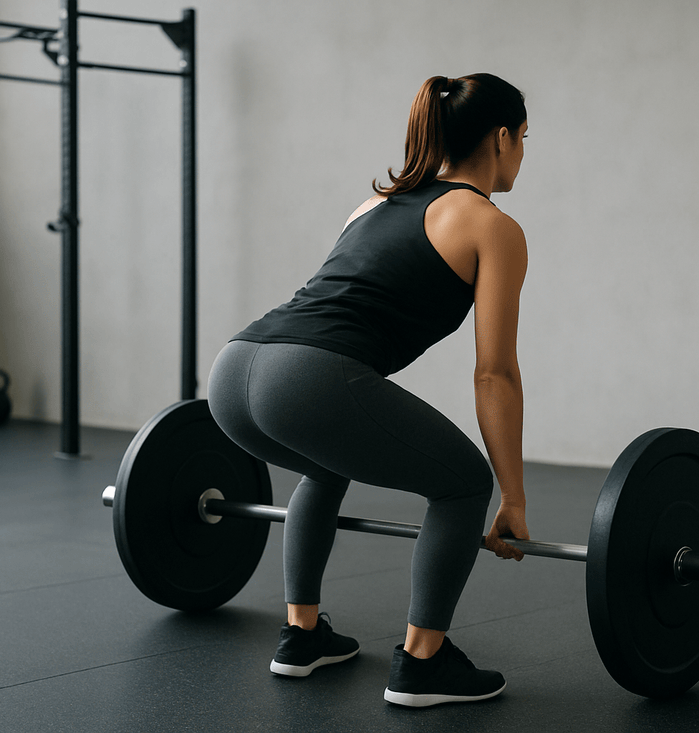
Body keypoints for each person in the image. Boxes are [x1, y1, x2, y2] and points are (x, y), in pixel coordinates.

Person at [207, 73, 530, 708]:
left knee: (325, 465)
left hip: (233, 371)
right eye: (524, 138)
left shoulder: (374, 203)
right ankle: (423, 663)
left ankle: (302, 637)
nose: (523, 151)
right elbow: (495, 372)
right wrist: (512, 496)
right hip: (303, 379)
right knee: (464, 482)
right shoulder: (492, 226)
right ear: (501, 138)